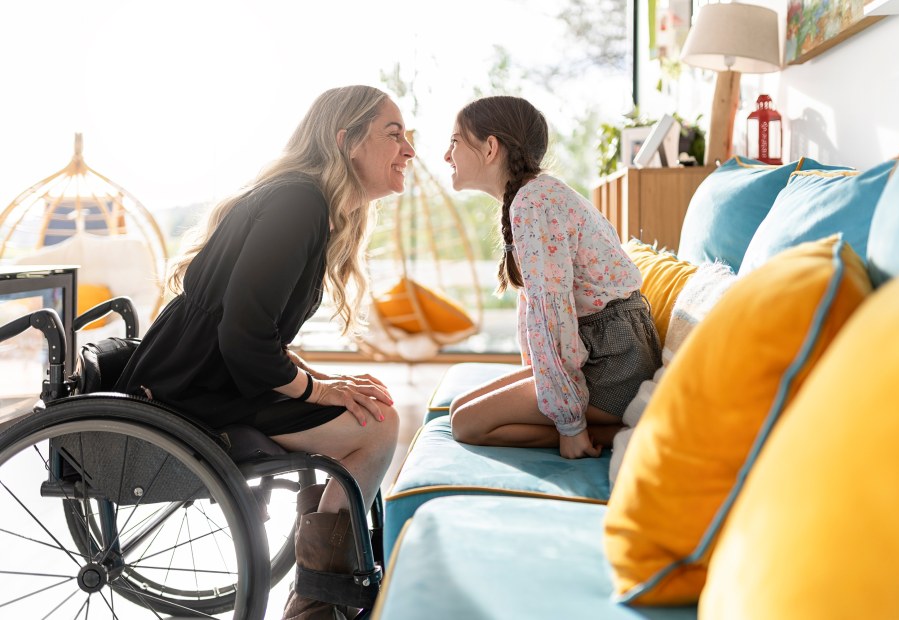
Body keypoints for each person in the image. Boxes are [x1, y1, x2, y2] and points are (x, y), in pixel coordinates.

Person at [115, 85, 415, 619]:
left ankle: (321, 586)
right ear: (347, 141)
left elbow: (254, 334)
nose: (409, 150)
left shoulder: (305, 204)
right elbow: (244, 338)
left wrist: (319, 380)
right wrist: (320, 389)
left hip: (215, 374)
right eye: (394, 135)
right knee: (379, 426)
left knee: (369, 409)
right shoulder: (298, 204)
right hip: (200, 387)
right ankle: (316, 599)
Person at [443, 96, 661, 460]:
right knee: (460, 410)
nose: (446, 156)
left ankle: (615, 430)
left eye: (454, 142)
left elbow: (551, 314)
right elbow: (542, 310)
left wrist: (570, 425)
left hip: (613, 363)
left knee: (468, 422)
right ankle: (612, 428)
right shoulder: (532, 196)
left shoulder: (534, 201)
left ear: (490, 148)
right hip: (597, 349)